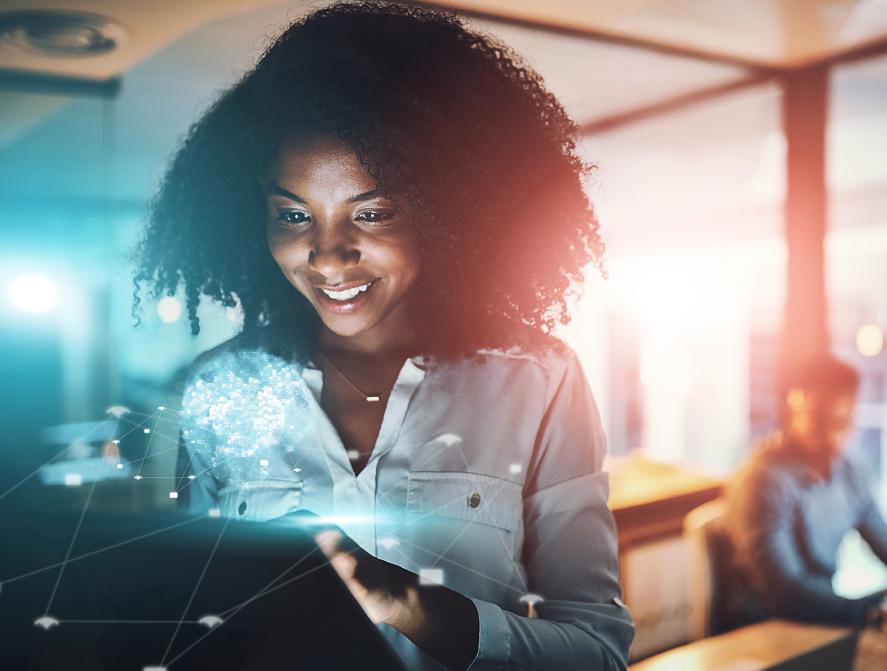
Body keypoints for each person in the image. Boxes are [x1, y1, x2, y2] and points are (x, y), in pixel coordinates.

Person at [134, 3, 633, 669]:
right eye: (293, 214)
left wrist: (409, 605)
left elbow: (598, 651)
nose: (327, 256)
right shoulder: (219, 386)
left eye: (371, 213)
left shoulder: (539, 381)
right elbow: (200, 614)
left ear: (448, 212)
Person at [721, 355, 887, 628]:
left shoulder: (850, 472)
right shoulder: (763, 481)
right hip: (765, 629)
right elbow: (784, 593)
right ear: (794, 409)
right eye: (820, 421)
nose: (832, 435)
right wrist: (868, 613)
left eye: (842, 421)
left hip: (821, 621)